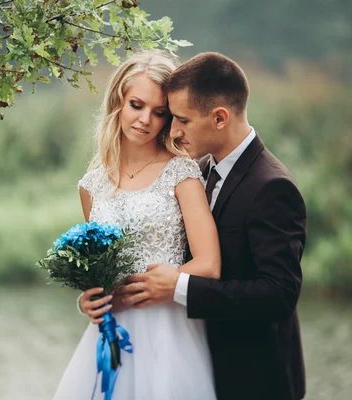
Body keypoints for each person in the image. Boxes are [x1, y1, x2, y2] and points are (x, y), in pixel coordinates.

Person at [119, 52, 307, 400]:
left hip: (254, 381)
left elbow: (278, 296)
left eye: (182, 120)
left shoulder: (272, 187)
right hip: (194, 365)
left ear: (220, 117)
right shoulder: (198, 170)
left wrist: (179, 286)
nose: (172, 131)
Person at [52, 50, 221, 399]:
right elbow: (100, 268)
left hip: (170, 329)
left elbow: (209, 264)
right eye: (136, 105)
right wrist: (89, 301)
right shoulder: (91, 185)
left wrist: (163, 286)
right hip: (112, 331)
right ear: (118, 102)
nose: (145, 120)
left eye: (159, 112)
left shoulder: (182, 172)